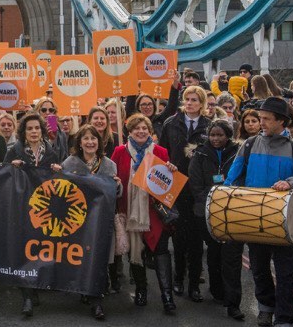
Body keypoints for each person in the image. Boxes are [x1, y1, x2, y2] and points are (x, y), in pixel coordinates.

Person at [224, 97, 293, 327]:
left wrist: (291, 181)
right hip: (253, 219)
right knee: (258, 269)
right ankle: (266, 307)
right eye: (261, 117)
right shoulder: (248, 145)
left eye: (266, 119)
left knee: (285, 274)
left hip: (285, 222)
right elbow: (232, 178)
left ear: (282, 121)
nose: (261, 122)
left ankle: (284, 318)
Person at [111, 114, 178, 313]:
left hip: (155, 211)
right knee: (136, 251)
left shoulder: (160, 151)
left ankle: (167, 295)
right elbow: (113, 177)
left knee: (161, 251)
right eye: (136, 129)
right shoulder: (119, 152)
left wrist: (171, 170)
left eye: (145, 128)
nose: (141, 131)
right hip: (129, 211)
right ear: (129, 132)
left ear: (150, 131)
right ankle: (141, 289)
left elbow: (167, 183)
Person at [62, 124, 122, 320]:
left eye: (93, 138)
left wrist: (118, 186)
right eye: (86, 138)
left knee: (99, 259)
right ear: (79, 142)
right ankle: (84, 289)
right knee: (81, 256)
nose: (90, 142)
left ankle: (97, 301)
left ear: (99, 142)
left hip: (101, 221)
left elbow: (115, 195)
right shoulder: (69, 163)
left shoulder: (109, 165)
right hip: (77, 220)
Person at [5, 111, 60, 317]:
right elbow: (3, 175)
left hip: (44, 210)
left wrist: (58, 170)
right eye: (30, 128)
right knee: (25, 249)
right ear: (24, 132)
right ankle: (27, 295)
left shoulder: (51, 153)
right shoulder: (15, 151)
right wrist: (11, 167)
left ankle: (36, 285)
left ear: (42, 130)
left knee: (41, 248)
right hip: (22, 209)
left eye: (37, 128)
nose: (34, 131)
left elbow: (59, 181)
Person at [188, 120, 244, 318]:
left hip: (231, 212)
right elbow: (195, 185)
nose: (216, 139)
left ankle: (232, 300)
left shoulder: (238, 152)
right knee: (213, 252)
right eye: (213, 135)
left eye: (220, 135)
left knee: (231, 257)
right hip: (207, 211)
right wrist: (214, 202)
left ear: (228, 136)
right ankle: (217, 290)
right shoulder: (200, 154)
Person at [159, 85, 210, 301]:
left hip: (198, 188)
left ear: (202, 104)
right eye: (187, 99)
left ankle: (194, 284)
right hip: (177, 186)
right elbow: (162, 152)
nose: (190, 103)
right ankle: (178, 278)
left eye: (194, 100)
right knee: (179, 238)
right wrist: (167, 164)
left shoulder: (209, 126)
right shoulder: (172, 123)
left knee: (196, 239)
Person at [125, 71, 181, 139]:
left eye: (150, 104)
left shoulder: (159, 119)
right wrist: (134, 84)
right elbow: (129, 107)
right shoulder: (134, 120)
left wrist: (175, 84)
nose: (148, 107)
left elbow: (172, 106)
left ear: (154, 106)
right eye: (144, 104)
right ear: (138, 107)